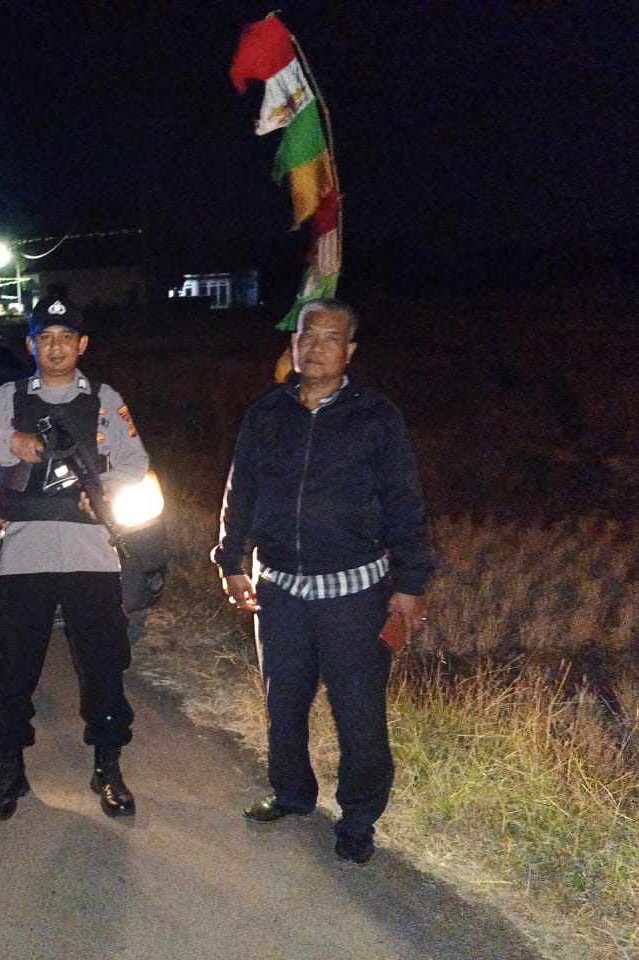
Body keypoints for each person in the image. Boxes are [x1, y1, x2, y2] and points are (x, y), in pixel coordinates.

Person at [212, 297, 434, 864]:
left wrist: (411, 581)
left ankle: (358, 819)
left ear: (349, 351)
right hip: (279, 588)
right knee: (283, 704)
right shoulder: (265, 415)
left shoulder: (376, 416)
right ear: (293, 344)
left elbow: (405, 501)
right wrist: (232, 562)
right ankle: (292, 794)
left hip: (354, 591)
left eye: (330, 339)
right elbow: (241, 494)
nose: (315, 348)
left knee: (359, 713)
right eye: (307, 336)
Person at [0, 296, 149, 820]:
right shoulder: (8, 397)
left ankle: (108, 767)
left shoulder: (105, 399)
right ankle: (10, 770)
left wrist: (102, 487)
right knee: (14, 667)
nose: (55, 347)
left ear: (82, 344)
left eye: (65, 338)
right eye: (45, 338)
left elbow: (136, 463)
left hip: (93, 554)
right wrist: (8, 441)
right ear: (31, 344)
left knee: (104, 666)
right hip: (27, 553)